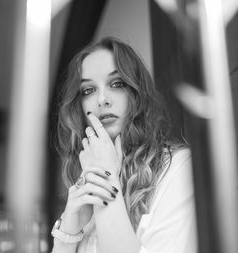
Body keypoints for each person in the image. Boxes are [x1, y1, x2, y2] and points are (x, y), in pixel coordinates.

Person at [51, 37, 197, 253]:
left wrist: (106, 182)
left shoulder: (179, 169)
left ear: (137, 94)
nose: (102, 99)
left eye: (117, 84)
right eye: (88, 90)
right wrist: (68, 230)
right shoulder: (84, 185)